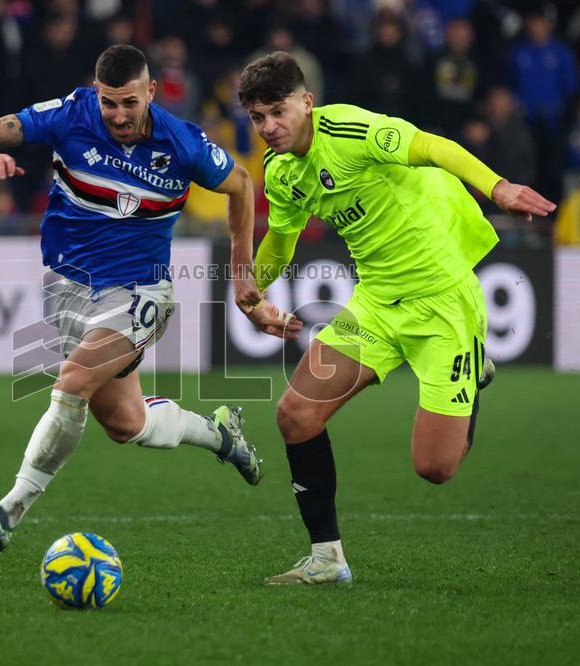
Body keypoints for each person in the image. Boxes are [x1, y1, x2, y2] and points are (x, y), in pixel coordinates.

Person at [236, 52, 555, 585]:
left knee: (435, 469)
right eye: (256, 118)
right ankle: (327, 560)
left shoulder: (349, 129)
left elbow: (432, 146)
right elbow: (281, 243)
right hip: (377, 304)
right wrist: (249, 290)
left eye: (277, 112)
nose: (268, 127)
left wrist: (497, 187)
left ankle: (473, 372)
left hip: (442, 303)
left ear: (306, 103)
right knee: (295, 414)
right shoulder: (283, 171)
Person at [0, 45, 272, 552]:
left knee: (71, 381)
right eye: (109, 103)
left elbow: (242, 184)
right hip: (69, 287)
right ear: (96, 96)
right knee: (127, 423)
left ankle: (6, 513)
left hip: (141, 289)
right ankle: (221, 435)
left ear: (150, 92)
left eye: (129, 103)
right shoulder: (70, 114)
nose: (119, 116)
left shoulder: (183, 144)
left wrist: (241, 271)